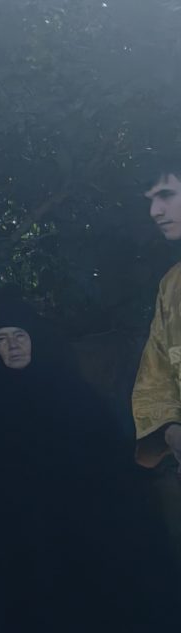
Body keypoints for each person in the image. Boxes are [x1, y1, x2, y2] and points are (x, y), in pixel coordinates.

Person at [0, 288, 159, 633]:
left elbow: (108, 472)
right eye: (2, 339)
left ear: (36, 339)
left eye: (20, 336)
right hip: (16, 545)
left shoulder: (75, 399)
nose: (12, 346)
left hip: (77, 541)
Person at [134, 157, 181, 476]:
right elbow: (156, 374)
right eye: (150, 200)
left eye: (166, 195)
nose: (155, 211)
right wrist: (171, 430)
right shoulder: (171, 285)